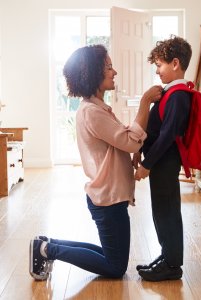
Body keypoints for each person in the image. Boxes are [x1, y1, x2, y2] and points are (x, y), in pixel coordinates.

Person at [29, 44, 162, 281]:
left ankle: (46, 244)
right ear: (93, 73)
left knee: (111, 256)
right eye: (109, 67)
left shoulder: (97, 108)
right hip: (108, 199)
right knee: (115, 267)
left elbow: (121, 141)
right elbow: (130, 141)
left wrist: (131, 149)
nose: (115, 72)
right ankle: (48, 250)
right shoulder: (92, 112)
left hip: (108, 196)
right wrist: (145, 103)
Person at [133, 35, 192, 281]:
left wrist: (147, 164)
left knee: (167, 211)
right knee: (161, 210)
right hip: (161, 164)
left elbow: (168, 135)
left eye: (159, 65)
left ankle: (172, 264)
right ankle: (167, 256)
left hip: (165, 164)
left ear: (175, 63)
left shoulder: (178, 95)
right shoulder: (171, 92)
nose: (157, 71)